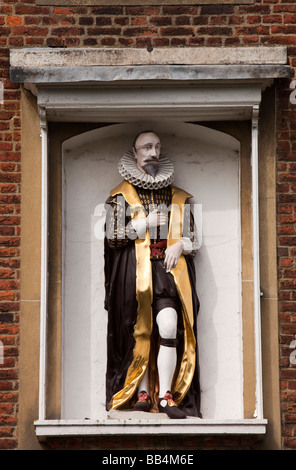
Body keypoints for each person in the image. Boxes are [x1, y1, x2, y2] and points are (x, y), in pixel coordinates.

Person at [104, 130, 201, 419]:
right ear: (135, 153)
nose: (153, 152)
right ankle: (142, 392)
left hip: (166, 272)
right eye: (147, 147)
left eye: (157, 146)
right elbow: (112, 236)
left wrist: (181, 245)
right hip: (133, 276)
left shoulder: (176, 196)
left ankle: (166, 395)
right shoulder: (119, 195)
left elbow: (193, 237)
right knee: (140, 330)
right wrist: (143, 224)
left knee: (169, 326)